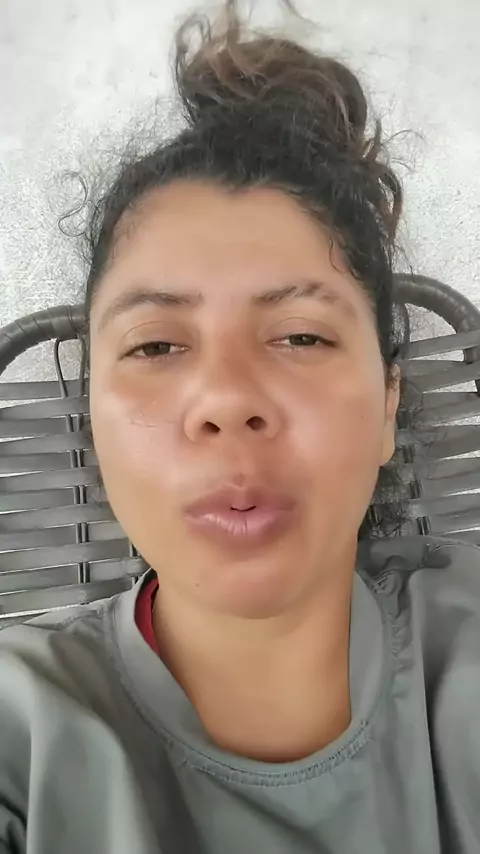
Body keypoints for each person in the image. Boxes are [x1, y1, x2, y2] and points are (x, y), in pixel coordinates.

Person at [1, 2, 480, 852]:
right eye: (155, 345)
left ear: (387, 407)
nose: (225, 398)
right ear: (93, 422)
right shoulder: (22, 735)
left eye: (302, 337)